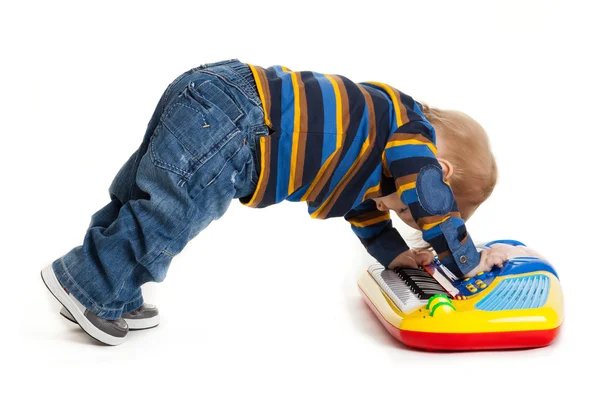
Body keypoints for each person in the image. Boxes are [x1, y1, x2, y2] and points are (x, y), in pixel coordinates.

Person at [41, 58, 498, 345]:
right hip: (238, 123)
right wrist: (465, 260)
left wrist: (397, 256)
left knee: (144, 191)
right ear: (441, 172)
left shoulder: (376, 155)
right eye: (406, 210)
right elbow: (429, 198)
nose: (397, 211)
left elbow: (367, 216)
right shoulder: (413, 140)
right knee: (172, 211)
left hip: (217, 90)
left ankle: (109, 286)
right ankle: (90, 285)